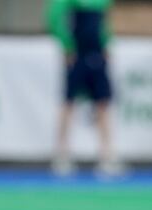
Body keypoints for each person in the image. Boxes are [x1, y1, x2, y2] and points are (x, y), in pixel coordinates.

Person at [47, 0, 123, 177]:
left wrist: (106, 43)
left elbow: (105, 23)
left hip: (97, 55)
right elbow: (54, 18)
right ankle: (62, 155)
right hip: (77, 55)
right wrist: (67, 44)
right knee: (68, 103)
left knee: (103, 104)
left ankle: (107, 156)